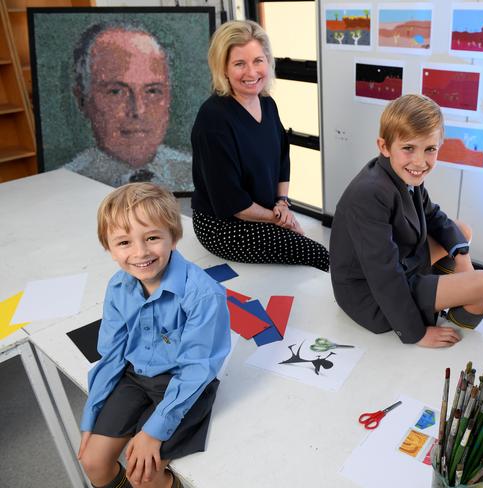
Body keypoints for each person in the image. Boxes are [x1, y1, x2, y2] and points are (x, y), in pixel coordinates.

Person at [77, 183, 231, 488]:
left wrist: (153, 432)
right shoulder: (118, 287)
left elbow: (197, 370)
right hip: (134, 377)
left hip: (185, 386)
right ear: (109, 248)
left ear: (173, 237)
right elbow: (112, 356)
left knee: (143, 474)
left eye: (152, 238)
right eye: (124, 242)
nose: (140, 253)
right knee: (93, 461)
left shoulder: (203, 295)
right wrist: (91, 414)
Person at [329, 94, 483, 347]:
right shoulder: (370, 193)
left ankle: (441, 296)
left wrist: (463, 257)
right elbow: (384, 275)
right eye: (409, 148)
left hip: (401, 262)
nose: (420, 161)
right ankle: (446, 325)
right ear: (384, 146)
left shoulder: (403, 173)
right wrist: (417, 333)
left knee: (462, 232)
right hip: (372, 295)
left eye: (430, 149)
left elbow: (433, 215)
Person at [190, 20, 329, 271]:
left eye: (258, 61)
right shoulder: (213, 120)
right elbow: (233, 204)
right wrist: (279, 220)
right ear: (223, 69)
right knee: (316, 253)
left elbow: (282, 158)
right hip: (224, 225)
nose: (252, 73)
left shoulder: (267, 103)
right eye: (239, 64)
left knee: (309, 248)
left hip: (264, 211)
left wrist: (282, 203)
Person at [66, 22, 193, 191]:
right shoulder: (69, 184)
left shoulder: (196, 173)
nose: (138, 110)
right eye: (116, 92)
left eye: (152, 91)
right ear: (82, 100)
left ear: (168, 97)